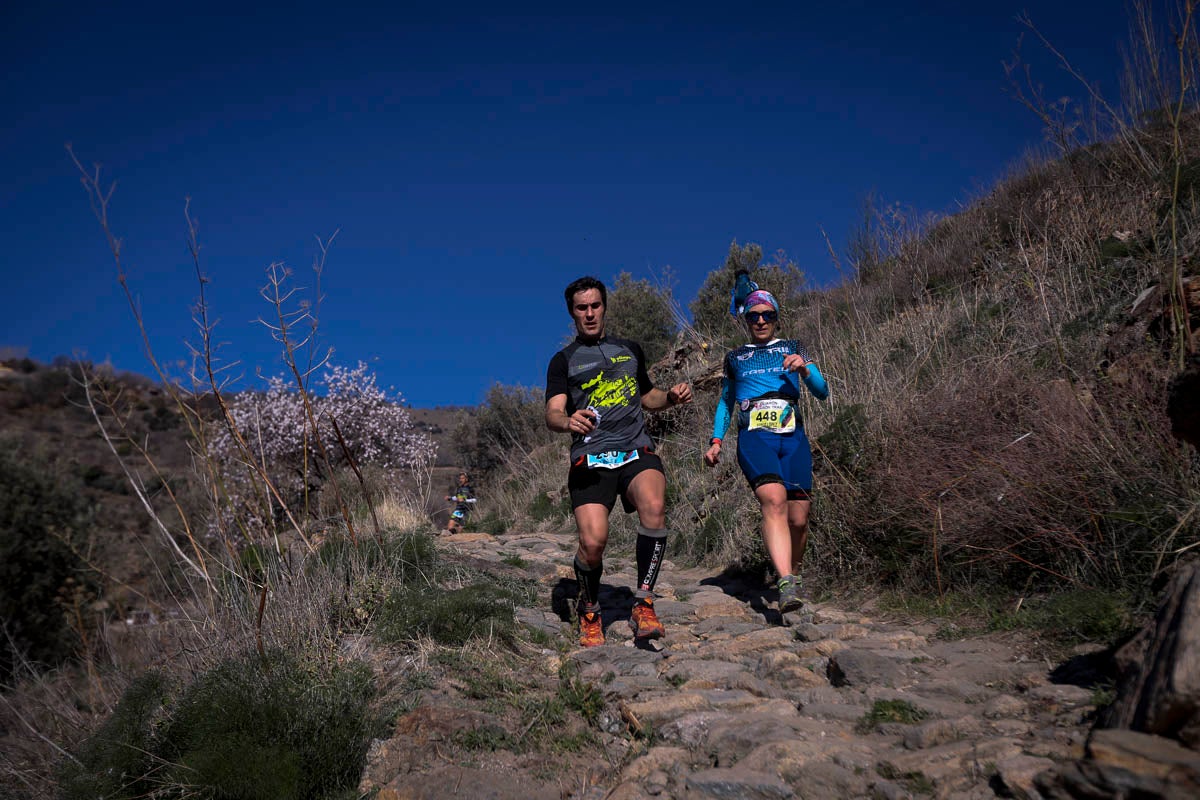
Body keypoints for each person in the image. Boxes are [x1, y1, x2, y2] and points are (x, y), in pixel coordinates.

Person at [545, 276, 693, 647]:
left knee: (654, 507)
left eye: (595, 305)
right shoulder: (563, 361)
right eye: (582, 308)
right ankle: (590, 608)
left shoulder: (629, 350)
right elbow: (552, 413)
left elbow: (648, 396)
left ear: (604, 307)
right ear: (572, 313)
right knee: (593, 543)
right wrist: (568, 421)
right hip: (590, 457)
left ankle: (643, 602)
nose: (590, 313)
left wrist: (671, 397)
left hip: (634, 448)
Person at [703, 289, 829, 614]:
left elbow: (822, 391)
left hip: (793, 437)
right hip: (755, 437)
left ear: (776, 317)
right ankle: (785, 580)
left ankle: (793, 575)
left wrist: (805, 370)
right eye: (753, 316)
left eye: (767, 315)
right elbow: (725, 402)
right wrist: (716, 441)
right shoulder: (735, 357)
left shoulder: (793, 347)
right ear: (746, 320)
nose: (760, 321)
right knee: (774, 501)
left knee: (799, 518)